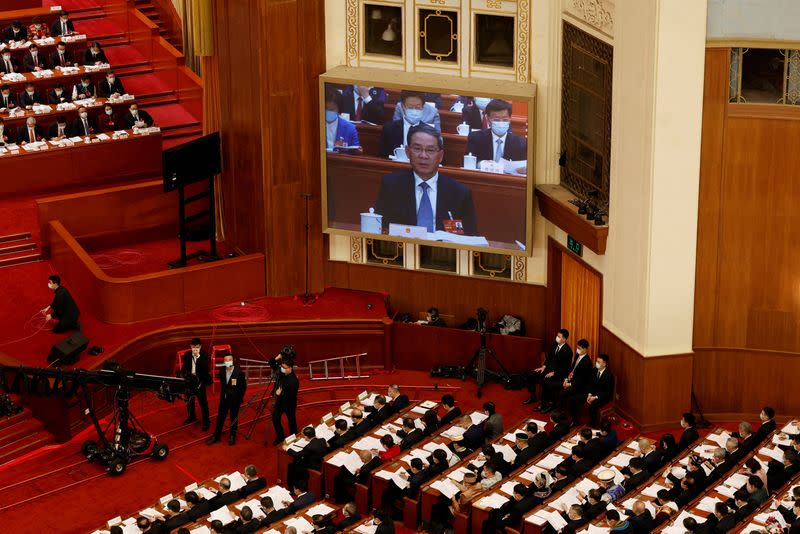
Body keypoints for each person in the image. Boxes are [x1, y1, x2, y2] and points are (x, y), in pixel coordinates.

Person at [374, 123, 477, 234]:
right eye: (417, 148)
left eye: (430, 150)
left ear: (440, 156)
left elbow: (470, 236)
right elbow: (380, 228)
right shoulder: (391, 186)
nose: (423, 155)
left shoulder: (459, 193)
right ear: (408, 152)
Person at [378, 90, 438, 158]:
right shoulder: (389, 128)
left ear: (423, 107)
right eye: (410, 107)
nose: (414, 110)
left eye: (418, 107)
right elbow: (383, 156)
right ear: (403, 106)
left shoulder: (429, 131)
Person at [465, 99, 527, 164]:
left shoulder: (521, 143)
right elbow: (468, 161)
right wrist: (481, 163)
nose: (501, 122)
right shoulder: (475, 138)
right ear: (488, 119)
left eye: (505, 119)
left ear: (510, 119)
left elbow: (523, 165)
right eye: (496, 119)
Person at [207, 352, 247, 445]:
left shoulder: (239, 373)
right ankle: (216, 436)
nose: (228, 361)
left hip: (234, 401)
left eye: (229, 360)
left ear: (233, 361)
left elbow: (243, 387)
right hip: (224, 399)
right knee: (220, 417)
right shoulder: (221, 371)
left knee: (234, 418)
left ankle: (232, 436)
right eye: (226, 360)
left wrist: (239, 398)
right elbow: (224, 385)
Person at [525, 328, 572, 406]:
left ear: (564, 339)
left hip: (557, 374)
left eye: (559, 336)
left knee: (545, 381)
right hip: (548, 369)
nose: (557, 337)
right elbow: (549, 357)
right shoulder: (554, 344)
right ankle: (533, 396)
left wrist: (554, 373)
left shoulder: (568, 351)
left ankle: (543, 403)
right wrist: (543, 366)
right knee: (531, 374)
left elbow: (566, 368)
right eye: (557, 336)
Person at [549, 339, 594, 416]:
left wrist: (569, 384)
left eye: (579, 348)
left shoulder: (587, 362)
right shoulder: (577, 355)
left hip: (579, 386)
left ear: (585, 349)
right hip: (572, 380)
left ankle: (561, 413)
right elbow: (572, 368)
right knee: (553, 384)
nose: (577, 350)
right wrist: (567, 379)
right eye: (577, 347)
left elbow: (582, 380)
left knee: (562, 392)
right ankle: (555, 406)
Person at [573, 353, 615, 427]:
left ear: (604, 364)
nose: (596, 363)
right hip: (592, 393)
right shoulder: (594, 370)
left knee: (592, 406)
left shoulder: (609, 375)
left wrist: (595, 397)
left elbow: (607, 392)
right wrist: (589, 394)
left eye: (599, 362)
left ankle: (592, 426)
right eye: (596, 361)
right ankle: (575, 421)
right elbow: (590, 383)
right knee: (575, 398)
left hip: (602, 396)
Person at [181, 337, 211, 430]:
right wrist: (184, 377)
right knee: (190, 401)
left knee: (203, 402)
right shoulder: (187, 355)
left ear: (200, 346)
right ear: (190, 346)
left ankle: (206, 422)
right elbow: (184, 368)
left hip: (200, 381)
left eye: (197, 347)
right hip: (190, 381)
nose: (195, 349)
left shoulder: (205, 355)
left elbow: (205, 369)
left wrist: (198, 356)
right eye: (193, 347)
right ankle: (191, 417)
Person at [271, 353, 300, 445]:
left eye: (284, 367)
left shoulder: (294, 381)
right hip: (280, 402)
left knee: (291, 420)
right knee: (275, 418)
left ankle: (294, 436)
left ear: (290, 368)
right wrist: (277, 358)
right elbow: (271, 363)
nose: (282, 368)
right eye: (281, 366)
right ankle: (280, 436)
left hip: (289, 403)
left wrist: (279, 394)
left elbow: (290, 395)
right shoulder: (281, 372)